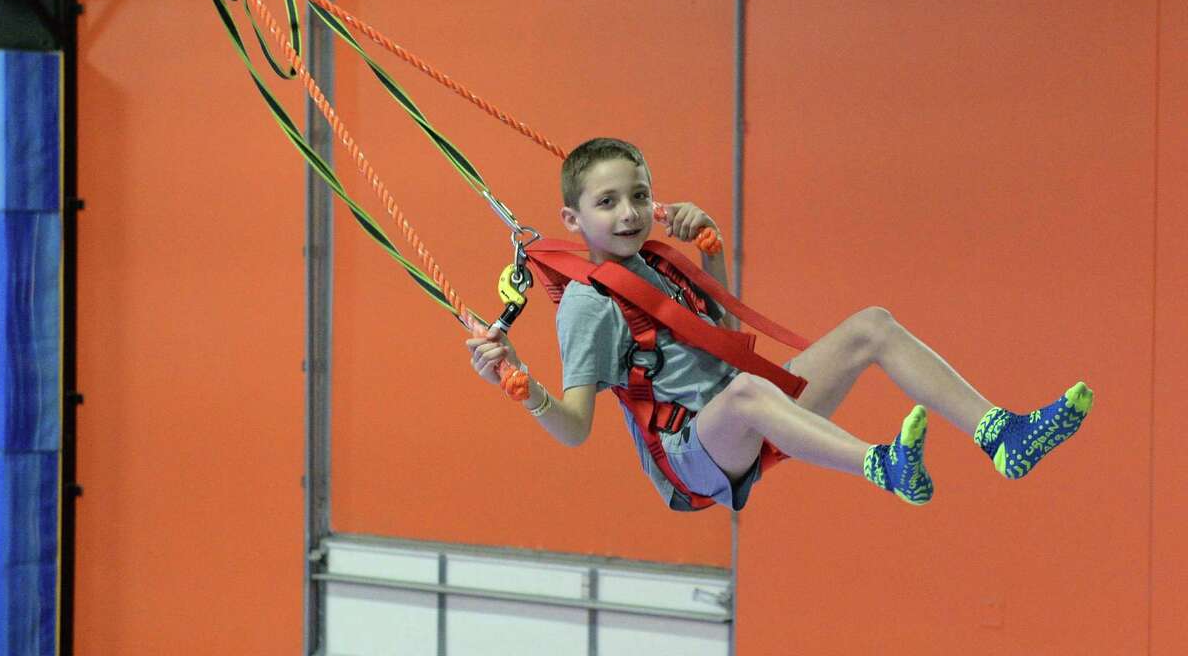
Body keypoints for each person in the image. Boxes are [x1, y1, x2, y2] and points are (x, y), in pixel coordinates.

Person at [466, 137, 1094, 510]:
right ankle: (882, 464)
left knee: (870, 325)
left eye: (638, 195)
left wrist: (710, 250)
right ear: (572, 222)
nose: (628, 213)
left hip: (751, 407)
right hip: (693, 456)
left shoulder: (657, 262)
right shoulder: (588, 304)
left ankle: (999, 434)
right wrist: (524, 386)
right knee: (745, 395)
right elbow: (576, 428)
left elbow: (717, 334)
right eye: (607, 203)